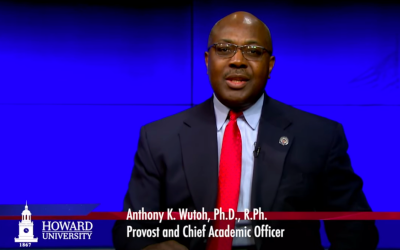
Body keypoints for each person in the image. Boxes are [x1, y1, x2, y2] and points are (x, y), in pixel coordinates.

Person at [113, 11, 379, 250]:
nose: (238, 60)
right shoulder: (159, 137)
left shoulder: (320, 136)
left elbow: (358, 232)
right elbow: (129, 231)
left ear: (270, 65)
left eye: (253, 51)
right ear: (207, 61)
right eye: (224, 49)